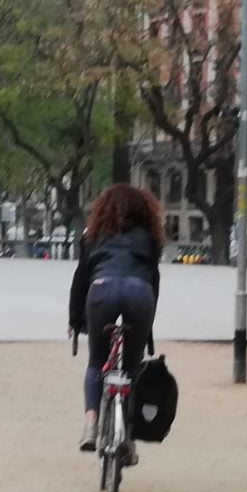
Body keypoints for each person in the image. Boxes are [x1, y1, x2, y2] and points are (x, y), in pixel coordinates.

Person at [67, 183, 165, 454]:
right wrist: (147, 328)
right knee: (132, 370)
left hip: (102, 290)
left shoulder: (94, 235)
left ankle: (91, 425)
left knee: (97, 364)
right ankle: (128, 438)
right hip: (139, 293)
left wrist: (75, 320)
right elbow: (153, 280)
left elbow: (80, 279)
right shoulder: (149, 238)